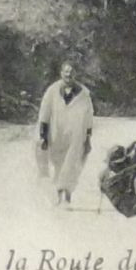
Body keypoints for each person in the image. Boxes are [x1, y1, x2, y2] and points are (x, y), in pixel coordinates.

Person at [37, 61, 95, 205]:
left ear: (76, 74)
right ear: (61, 73)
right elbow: (44, 113)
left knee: (72, 164)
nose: (69, 75)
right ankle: (58, 193)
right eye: (66, 72)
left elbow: (89, 118)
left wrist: (88, 139)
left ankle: (67, 195)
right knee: (58, 164)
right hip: (56, 134)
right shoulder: (52, 91)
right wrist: (43, 137)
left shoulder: (84, 93)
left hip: (76, 136)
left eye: (72, 72)